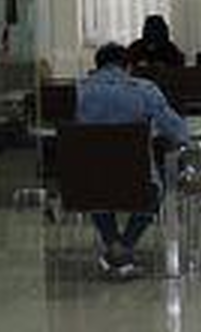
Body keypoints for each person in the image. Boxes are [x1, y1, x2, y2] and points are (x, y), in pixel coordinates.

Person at [77, 42, 190, 276]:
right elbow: (178, 133)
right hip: (139, 183)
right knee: (158, 185)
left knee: (95, 188)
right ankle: (125, 245)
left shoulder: (78, 92)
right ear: (128, 67)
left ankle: (113, 245)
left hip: (87, 185)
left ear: (97, 67)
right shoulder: (145, 90)